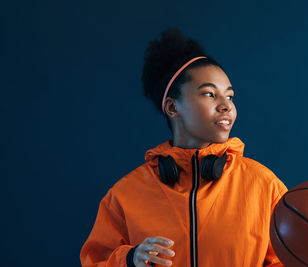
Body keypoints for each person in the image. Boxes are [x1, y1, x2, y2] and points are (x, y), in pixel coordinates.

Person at [80, 28, 288, 267]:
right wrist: (129, 259)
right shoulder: (124, 195)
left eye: (229, 97)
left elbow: (287, 260)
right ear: (172, 108)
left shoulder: (264, 186)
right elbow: (94, 261)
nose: (226, 106)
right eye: (210, 94)